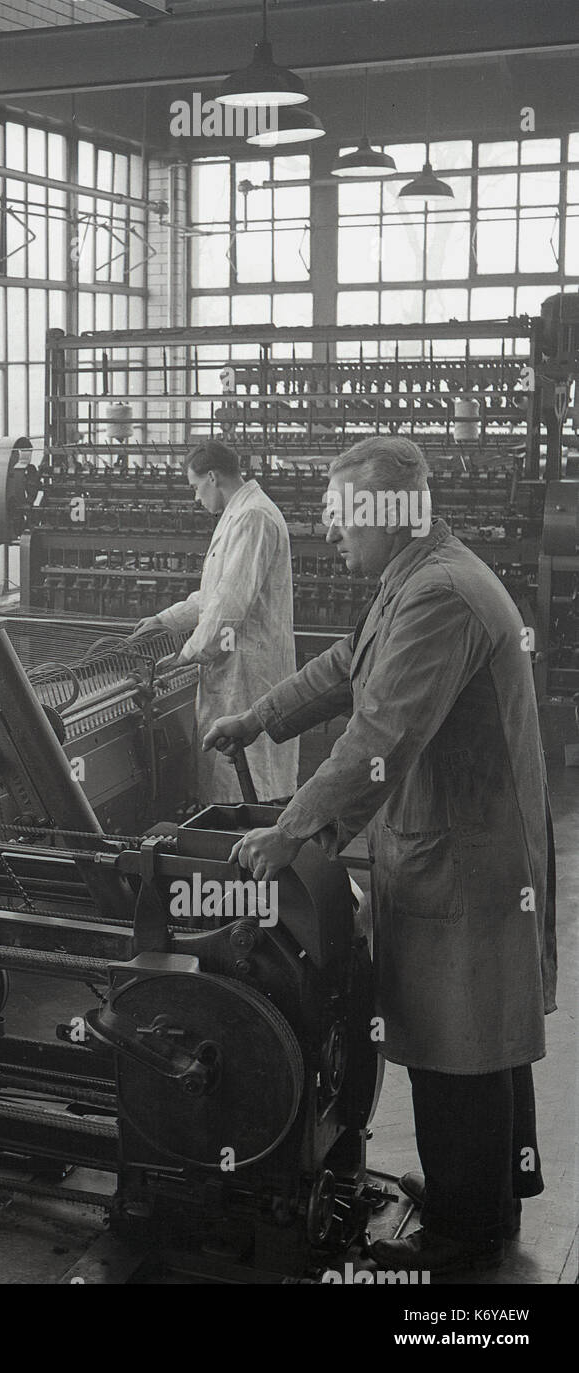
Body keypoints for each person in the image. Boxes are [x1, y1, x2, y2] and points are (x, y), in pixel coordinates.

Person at [203, 435, 556, 1277]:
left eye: (343, 516)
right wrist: (261, 718)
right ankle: (490, 1193)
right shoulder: (417, 576)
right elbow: (345, 666)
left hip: (467, 858)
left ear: (391, 512)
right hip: (466, 839)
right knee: (481, 1031)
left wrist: (291, 827)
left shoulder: (439, 596)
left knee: (454, 1038)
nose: (332, 533)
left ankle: (466, 1234)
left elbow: (380, 737)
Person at [133, 440, 297, 802]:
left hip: (248, 669)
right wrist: (164, 620)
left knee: (249, 779)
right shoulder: (240, 514)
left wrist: (185, 655)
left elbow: (229, 605)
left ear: (212, 476)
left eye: (195, 488)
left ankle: (245, 841)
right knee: (235, 774)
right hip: (237, 664)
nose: (195, 498)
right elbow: (214, 595)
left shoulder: (253, 517)